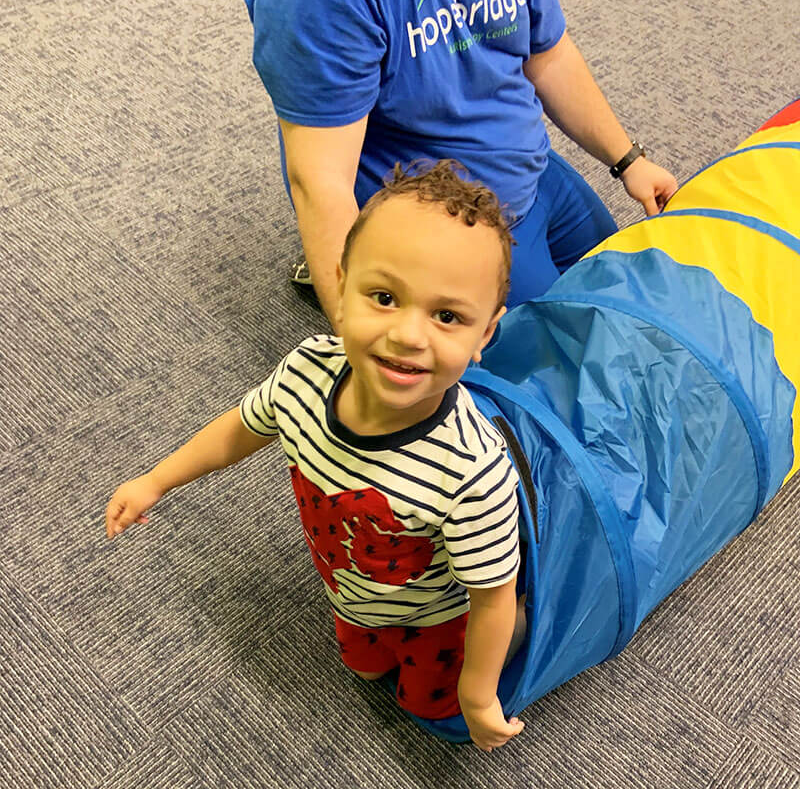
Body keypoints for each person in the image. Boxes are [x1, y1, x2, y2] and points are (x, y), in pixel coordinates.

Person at [106, 161, 528, 752]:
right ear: (341, 282)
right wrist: (158, 479)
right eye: (383, 297)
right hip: (351, 589)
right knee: (365, 669)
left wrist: (480, 694)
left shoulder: (472, 467)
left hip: (441, 616)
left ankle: (519, 635)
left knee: (428, 705)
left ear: (484, 336)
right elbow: (240, 430)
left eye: (447, 315)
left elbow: (490, 596)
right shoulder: (307, 367)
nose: (409, 334)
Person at [244, 0, 678, 324]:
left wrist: (628, 160)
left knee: (624, 299)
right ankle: (375, 270)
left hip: (531, 170)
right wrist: (358, 319)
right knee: (554, 369)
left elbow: (549, 52)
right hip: (445, 221)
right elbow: (319, 179)